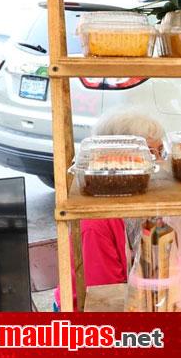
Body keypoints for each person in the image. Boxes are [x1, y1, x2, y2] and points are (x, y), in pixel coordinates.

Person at [53, 110, 164, 310]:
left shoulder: (144, 200)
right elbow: (106, 297)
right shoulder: (96, 224)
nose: (158, 163)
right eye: (148, 154)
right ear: (114, 159)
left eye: (160, 151)